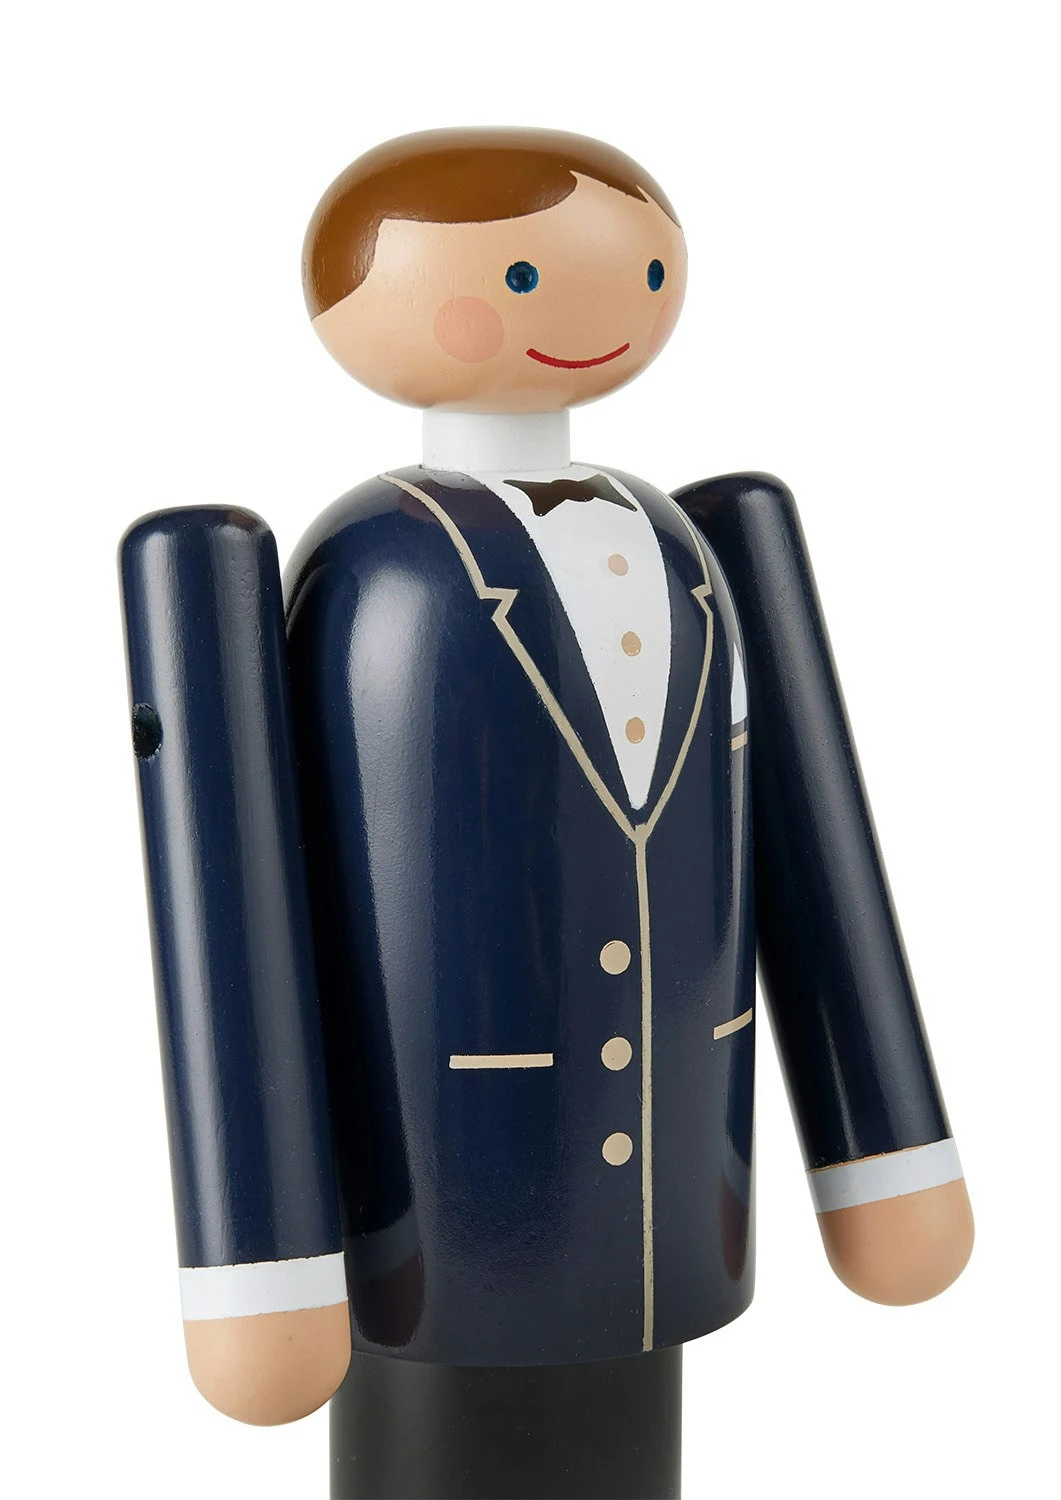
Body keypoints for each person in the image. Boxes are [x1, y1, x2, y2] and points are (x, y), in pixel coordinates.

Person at [120, 128, 973, 1499]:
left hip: (674, 1192)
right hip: (442, 1200)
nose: (587, 301)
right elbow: (239, 907)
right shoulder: (371, 573)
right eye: (519, 274)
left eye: (639, 269)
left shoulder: (701, 548)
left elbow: (814, 844)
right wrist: (259, 1261)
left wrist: (888, 1155)